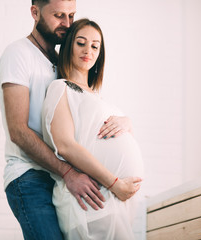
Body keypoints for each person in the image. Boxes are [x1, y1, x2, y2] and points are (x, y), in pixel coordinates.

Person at [0, 0, 137, 239]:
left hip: (59, 178)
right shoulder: (18, 53)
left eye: (71, 15)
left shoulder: (61, 63)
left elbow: (83, 121)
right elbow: (18, 131)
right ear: (35, 12)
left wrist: (125, 123)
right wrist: (69, 173)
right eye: (59, 15)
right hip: (30, 175)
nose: (67, 24)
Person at [41, 18, 145, 239]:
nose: (88, 50)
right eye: (81, 43)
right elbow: (65, 145)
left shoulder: (98, 98)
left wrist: (127, 122)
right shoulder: (61, 87)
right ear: (69, 45)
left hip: (114, 203)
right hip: (93, 201)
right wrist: (114, 183)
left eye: (95, 46)